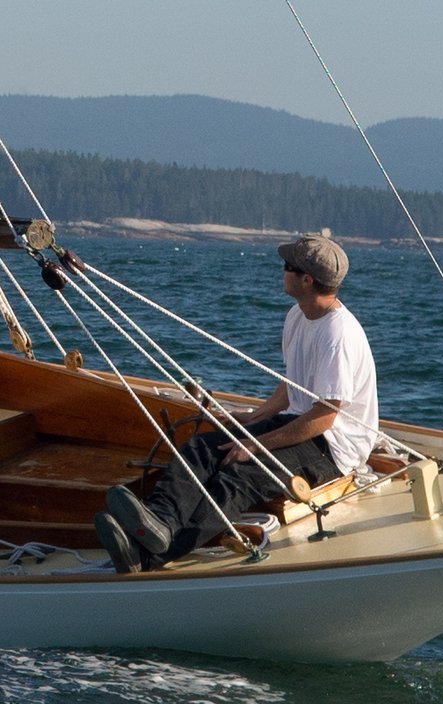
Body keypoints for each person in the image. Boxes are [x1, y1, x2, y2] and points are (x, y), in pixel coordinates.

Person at [95, 231, 380, 572]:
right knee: (203, 448)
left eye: (287, 266)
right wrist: (252, 418)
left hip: (332, 446)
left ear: (306, 279)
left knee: (238, 477)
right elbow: (292, 387)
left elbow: (324, 417)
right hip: (300, 422)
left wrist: (256, 445)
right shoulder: (297, 316)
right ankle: (160, 524)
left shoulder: (339, 334)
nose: (282, 270)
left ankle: (149, 557)